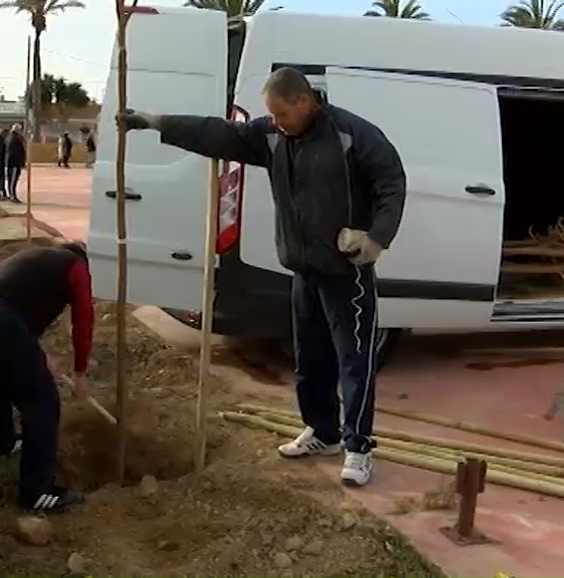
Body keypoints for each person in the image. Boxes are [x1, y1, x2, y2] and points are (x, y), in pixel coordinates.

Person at [116, 67, 406, 487]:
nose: (274, 122)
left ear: (304, 102)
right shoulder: (271, 136)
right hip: (303, 269)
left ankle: (358, 448)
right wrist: (155, 121)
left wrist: (376, 238)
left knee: (354, 362)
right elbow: (218, 134)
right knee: (309, 358)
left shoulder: (352, 134)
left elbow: (391, 183)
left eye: (281, 113)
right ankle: (322, 433)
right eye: (270, 115)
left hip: (348, 272)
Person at [0, 240, 94, 513]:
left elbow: (21, 317)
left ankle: (4, 442)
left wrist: (36, 354)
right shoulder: (76, 266)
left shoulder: (36, 260)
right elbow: (84, 318)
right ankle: (37, 492)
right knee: (43, 402)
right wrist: (80, 372)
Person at [5, 124, 27, 203]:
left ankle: (12, 195)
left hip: (13, 162)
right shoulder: (14, 139)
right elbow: (16, 152)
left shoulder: (13, 138)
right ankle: (12, 196)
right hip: (14, 163)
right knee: (13, 180)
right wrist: (20, 163)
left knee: (12, 180)